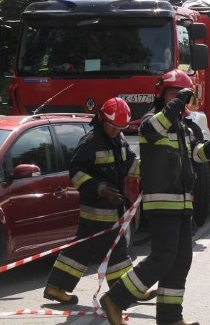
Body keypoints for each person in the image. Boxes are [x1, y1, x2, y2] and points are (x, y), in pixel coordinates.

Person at [100, 70, 210, 325]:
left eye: (183, 96)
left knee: (181, 261)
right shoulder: (152, 120)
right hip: (161, 203)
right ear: (161, 96)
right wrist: (175, 105)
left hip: (182, 203)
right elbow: (151, 130)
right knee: (162, 259)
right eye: (174, 94)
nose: (179, 101)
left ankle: (170, 318)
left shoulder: (183, 127)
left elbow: (195, 155)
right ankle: (115, 299)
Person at [44, 98, 156, 304]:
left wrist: (154, 174)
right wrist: (101, 190)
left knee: (81, 249)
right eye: (113, 127)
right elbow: (76, 172)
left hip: (112, 209)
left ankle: (55, 287)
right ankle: (128, 291)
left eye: (119, 128)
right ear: (102, 119)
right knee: (117, 250)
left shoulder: (118, 140)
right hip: (97, 208)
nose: (115, 131)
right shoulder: (90, 142)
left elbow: (130, 165)